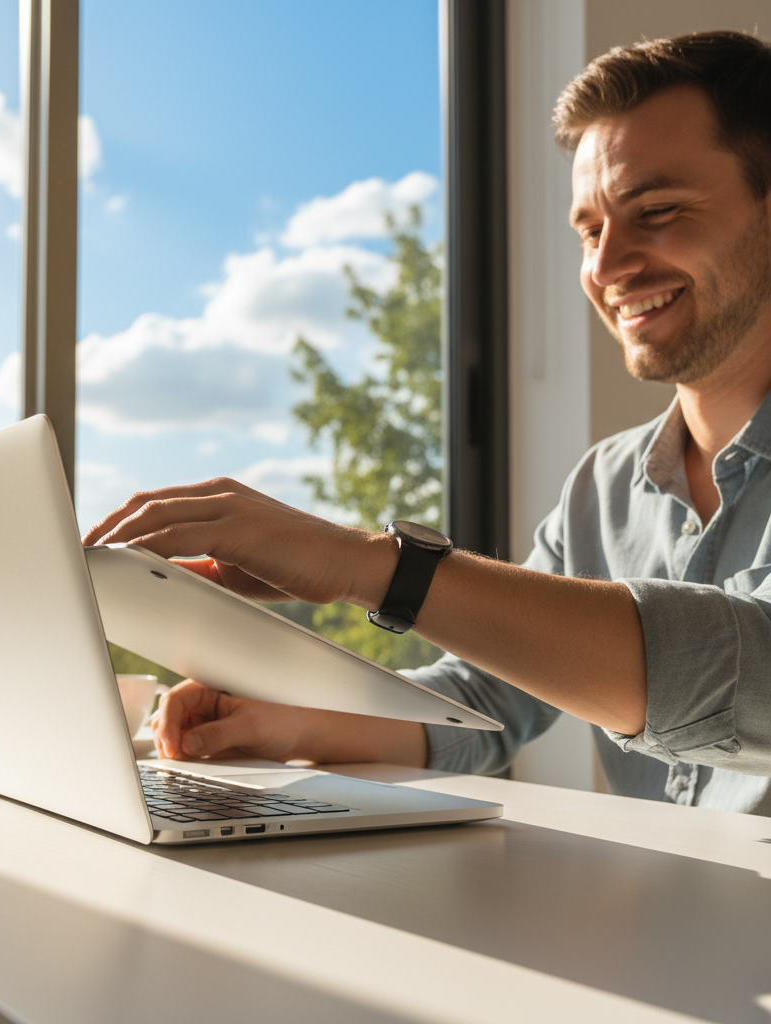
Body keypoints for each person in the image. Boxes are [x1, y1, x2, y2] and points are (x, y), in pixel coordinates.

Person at [83, 31, 771, 816]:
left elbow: (751, 668)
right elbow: (487, 699)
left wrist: (363, 566)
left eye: (657, 211)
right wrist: (287, 721)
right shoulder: (605, 485)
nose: (608, 267)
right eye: (589, 230)